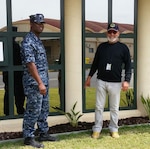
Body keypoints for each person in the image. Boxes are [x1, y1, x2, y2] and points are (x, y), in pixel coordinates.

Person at [85, 23, 132, 139]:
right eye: (110, 32)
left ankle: (114, 129)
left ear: (118, 33)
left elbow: (128, 66)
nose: (112, 34)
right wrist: (89, 77)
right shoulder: (101, 47)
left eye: (114, 32)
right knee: (98, 107)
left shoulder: (123, 48)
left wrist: (127, 80)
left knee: (114, 108)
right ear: (107, 33)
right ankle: (97, 129)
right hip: (101, 81)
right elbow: (95, 63)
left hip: (115, 83)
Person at [20, 14, 57, 148]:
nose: (41, 26)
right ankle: (28, 136)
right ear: (31, 24)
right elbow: (30, 64)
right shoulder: (28, 41)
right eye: (38, 23)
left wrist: (44, 82)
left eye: (42, 24)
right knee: (33, 109)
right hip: (34, 83)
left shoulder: (38, 40)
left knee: (43, 109)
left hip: (43, 82)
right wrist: (40, 82)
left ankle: (43, 133)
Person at [3, 26, 25, 115]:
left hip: (10, 73)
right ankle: (19, 109)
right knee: (18, 93)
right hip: (16, 74)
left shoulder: (6, 45)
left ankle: (8, 112)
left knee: (9, 93)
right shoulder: (14, 46)